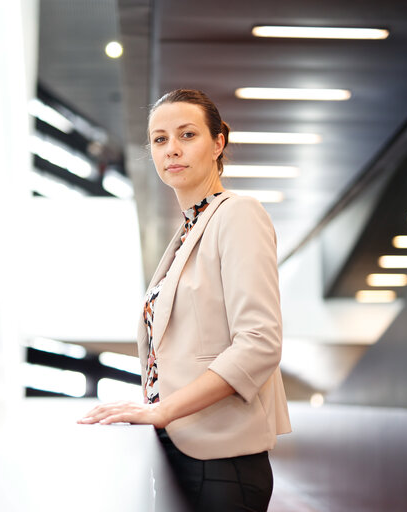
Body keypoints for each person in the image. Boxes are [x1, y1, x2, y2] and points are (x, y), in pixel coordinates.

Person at [79, 89, 291, 512]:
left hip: (220, 460)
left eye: (187, 134)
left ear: (218, 143)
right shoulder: (190, 230)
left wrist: (162, 411)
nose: (171, 149)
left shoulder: (238, 213)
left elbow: (259, 343)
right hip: (183, 453)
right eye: (159, 139)